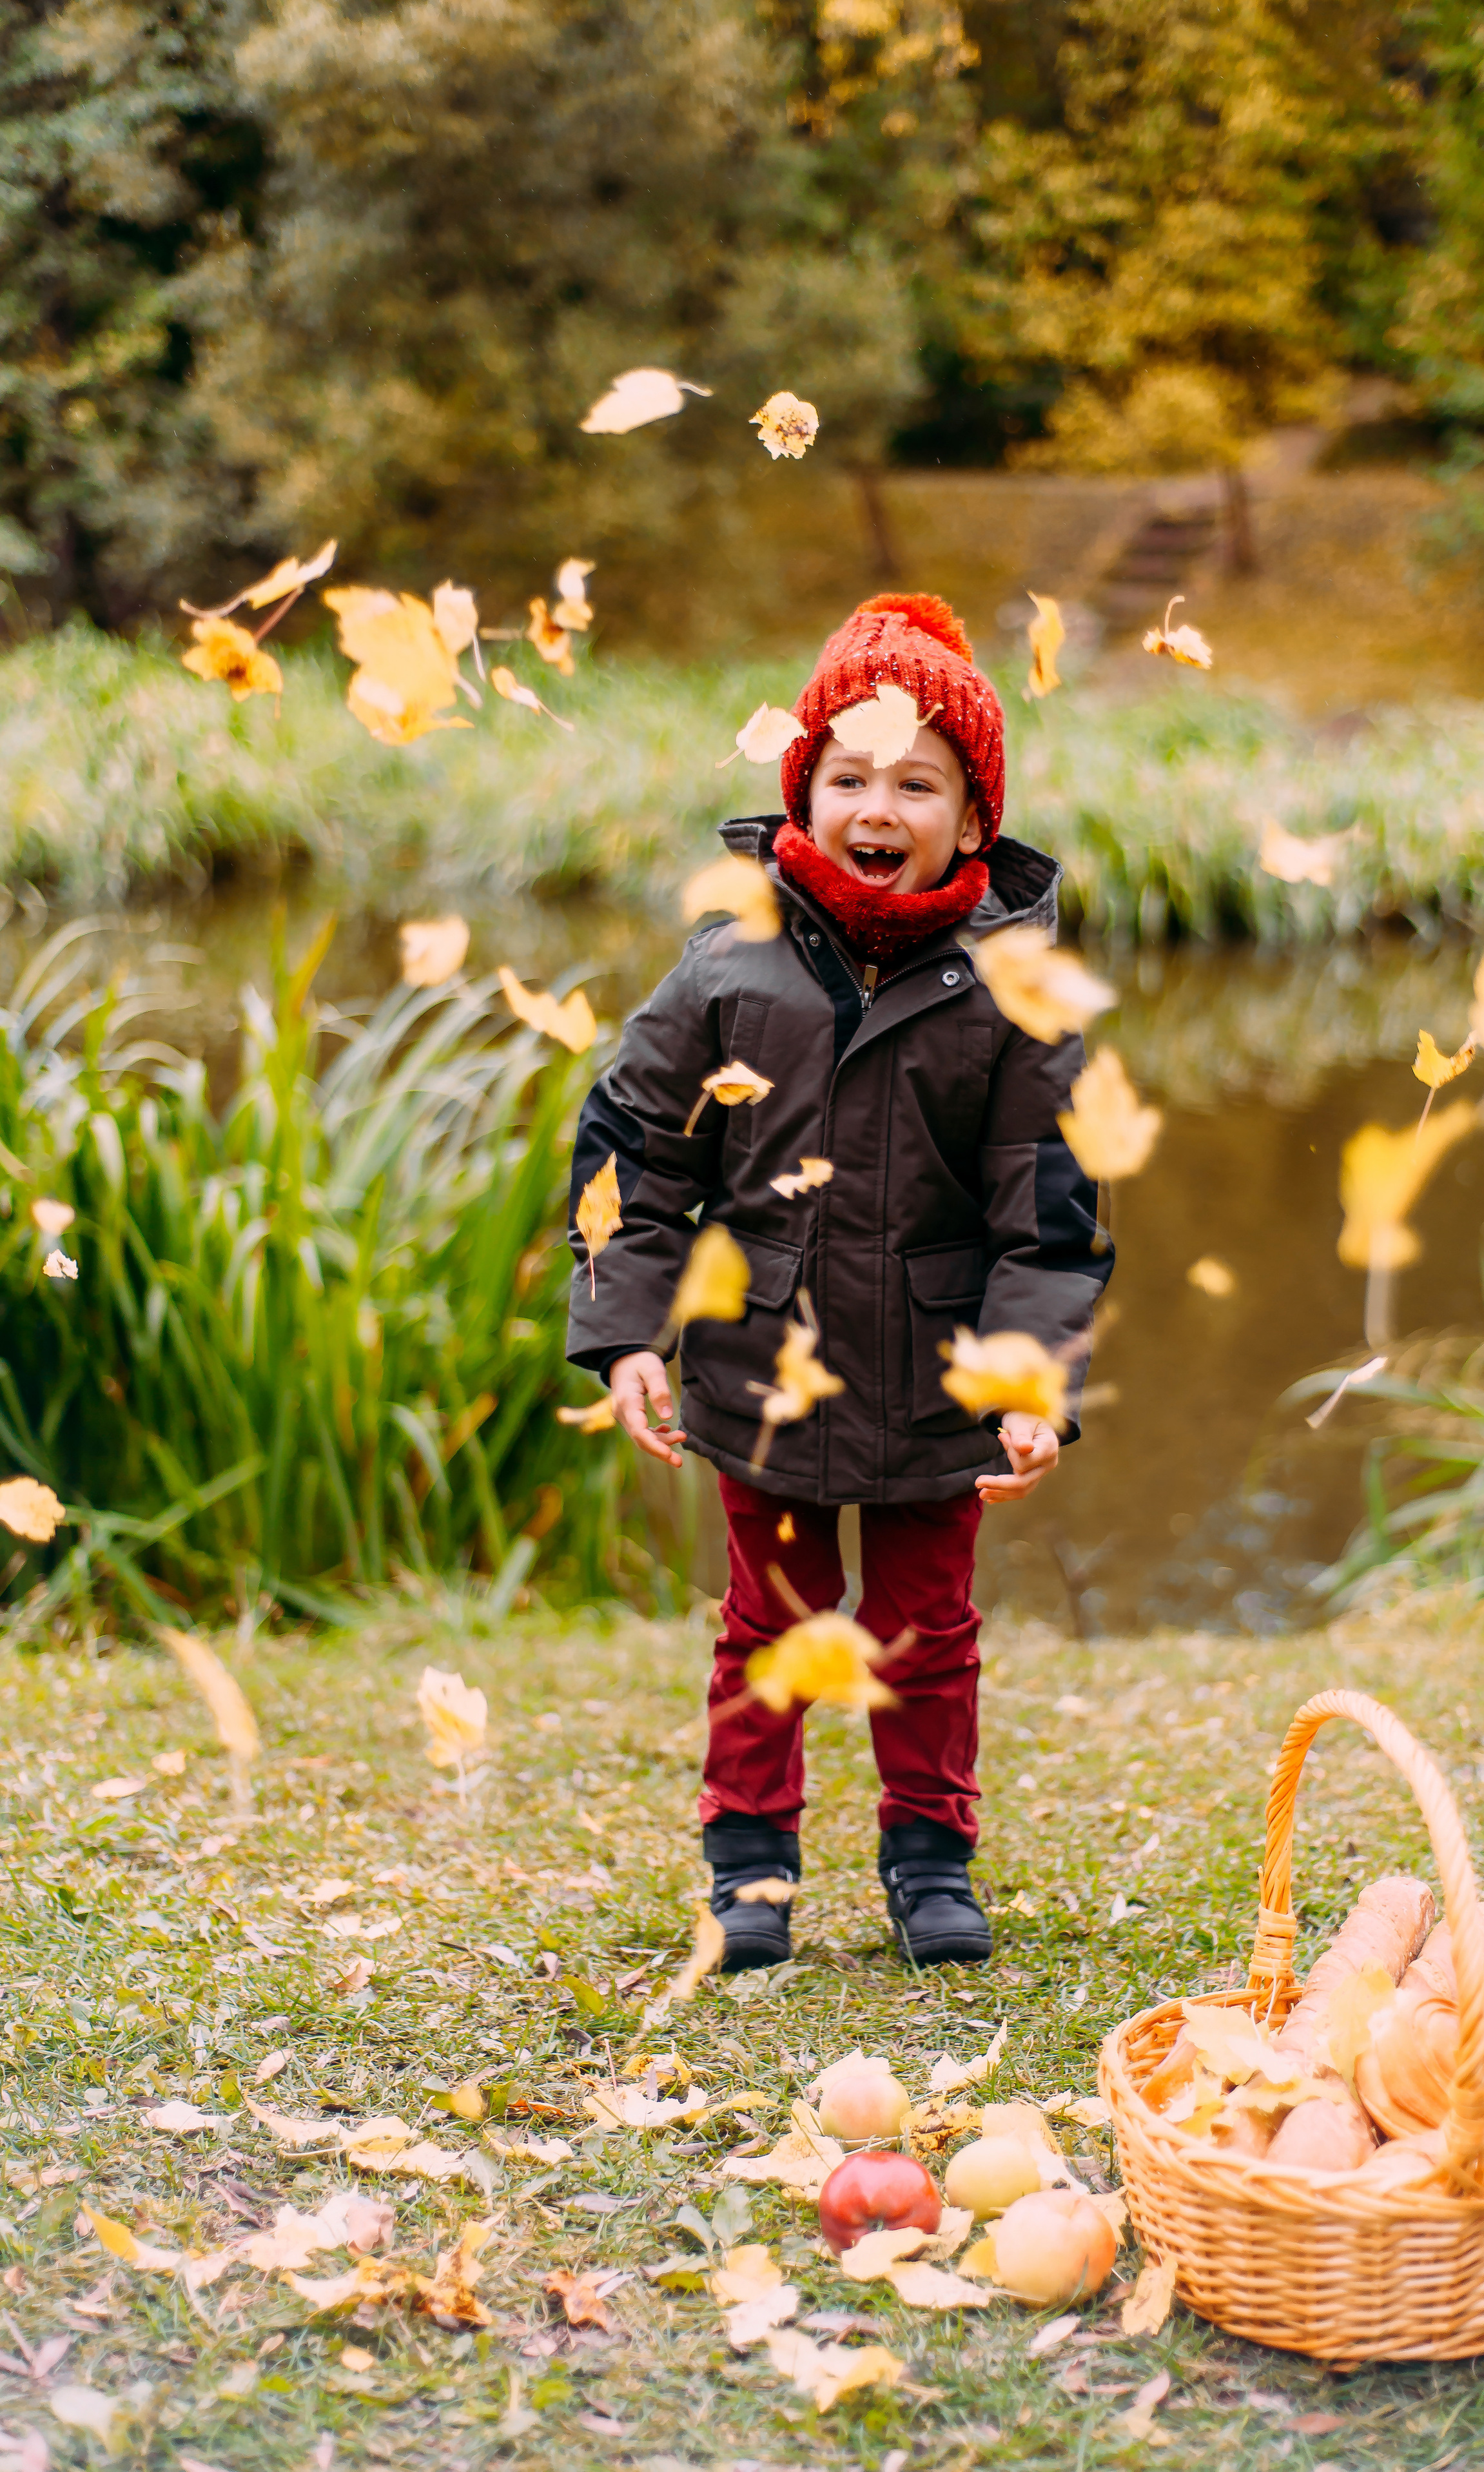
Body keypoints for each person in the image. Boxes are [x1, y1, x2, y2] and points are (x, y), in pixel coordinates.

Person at [565, 593, 1113, 1969]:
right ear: (802, 790)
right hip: (768, 1366)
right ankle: (747, 1867)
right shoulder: (726, 965)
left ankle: (930, 1865)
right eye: (851, 775)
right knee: (773, 1622)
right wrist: (628, 1329)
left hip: (941, 1384)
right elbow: (635, 1156)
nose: (881, 803)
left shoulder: (1015, 990)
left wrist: (1030, 1381)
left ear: (972, 818)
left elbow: (1044, 1215)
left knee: (928, 1635)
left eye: (917, 782)